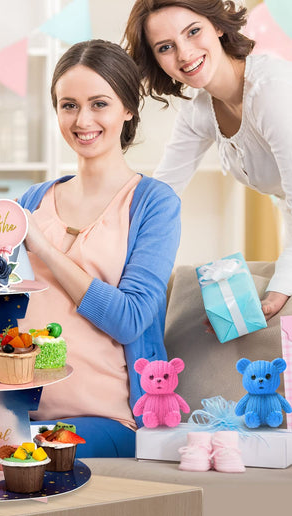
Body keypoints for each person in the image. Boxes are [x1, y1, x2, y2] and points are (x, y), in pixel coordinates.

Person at [18, 40, 181, 457]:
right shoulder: (31, 200)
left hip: (108, 418)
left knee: (26, 457)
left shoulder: (153, 203)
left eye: (99, 104)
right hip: (18, 413)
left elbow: (129, 320)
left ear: (128, 107)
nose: (82, 119)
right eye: (68, 105)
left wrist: (44, 248)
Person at [124, 0, 292, 320]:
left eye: (193, 31)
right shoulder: (200, 110)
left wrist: (283, 282)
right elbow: (161, 194)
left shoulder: (271, 92)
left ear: (217, 25)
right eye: (165, 47)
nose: (185, 54)